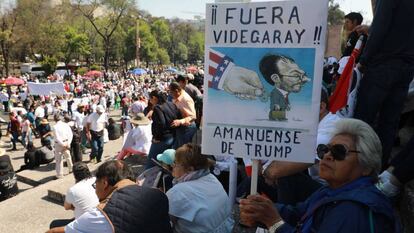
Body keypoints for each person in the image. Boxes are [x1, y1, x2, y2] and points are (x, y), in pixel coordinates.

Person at [239, 119, 401, 233]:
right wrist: (264, 209)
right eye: (324, 149)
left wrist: (274, 223)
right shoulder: (333, 190)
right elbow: (298, 213)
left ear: (366, 167)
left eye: (339, 151)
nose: (327, 156)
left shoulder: (353, 211)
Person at [354, 0, 414, 170]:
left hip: (382, 65)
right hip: (407, 67)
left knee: (363, 121)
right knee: (389, 123)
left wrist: (363, 61)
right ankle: (378, 170)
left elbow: (381, 26)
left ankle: (356, 170)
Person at [47, 160, 172, 233]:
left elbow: (55, 232)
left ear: (105, 183)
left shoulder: (103, 214)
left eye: (96, 184)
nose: (95, 188)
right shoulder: (159, 195)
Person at [166, 143, 234, 233]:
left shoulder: (178, 192)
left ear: (190, 169)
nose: (172, 166)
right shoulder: (211, 177)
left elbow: (164, 222)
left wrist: (160, 200)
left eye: (175, 163)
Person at [259, 54, 310, 121]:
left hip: (281, 108)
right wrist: (276, 106)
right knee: (276, 114)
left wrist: (287, 104)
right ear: (276, 78)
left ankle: (281, 117)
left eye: (303, 75)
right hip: (276, 110)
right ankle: (275, 118)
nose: (304, 79)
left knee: (282, 111)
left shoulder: (285, 93)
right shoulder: (275, 93)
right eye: (295, 75)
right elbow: (275, 102)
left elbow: (285, 100)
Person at [49, 162, 99, 228]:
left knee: (54, 224)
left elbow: (67, 207)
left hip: (84, 224)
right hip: (99, 217)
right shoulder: (97, 180)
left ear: (75, 175)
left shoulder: (73, 190)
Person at [145, 90, 181, 169]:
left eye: (150, 99)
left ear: (154, 98)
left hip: (163, 138)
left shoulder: (158, 107)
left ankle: (146, 180)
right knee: (167, 162)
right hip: (172, 136)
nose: (150, 101)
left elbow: (161, 123)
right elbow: (178, 117)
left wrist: (156, 137)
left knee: (152, 161)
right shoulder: (172, 104)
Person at [169, 82, 197, 148]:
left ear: (176, 91)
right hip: (181, 127)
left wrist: (180, 121)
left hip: (187, 128)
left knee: (183, 150)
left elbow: (193, 116)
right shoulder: (177, 97)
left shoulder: (186, 99)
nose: (170, 94)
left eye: (171, 92)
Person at [53, 114, 73, 179]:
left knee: (59, 159)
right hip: (66, 142)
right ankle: (71, 169)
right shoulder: (66, 124)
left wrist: (62, 144)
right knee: (68, 157)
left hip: (59, 144)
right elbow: (70, 134)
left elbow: (57, 137)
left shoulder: (55, 127)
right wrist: (68, 143)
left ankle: (60, 174)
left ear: (55, 119)